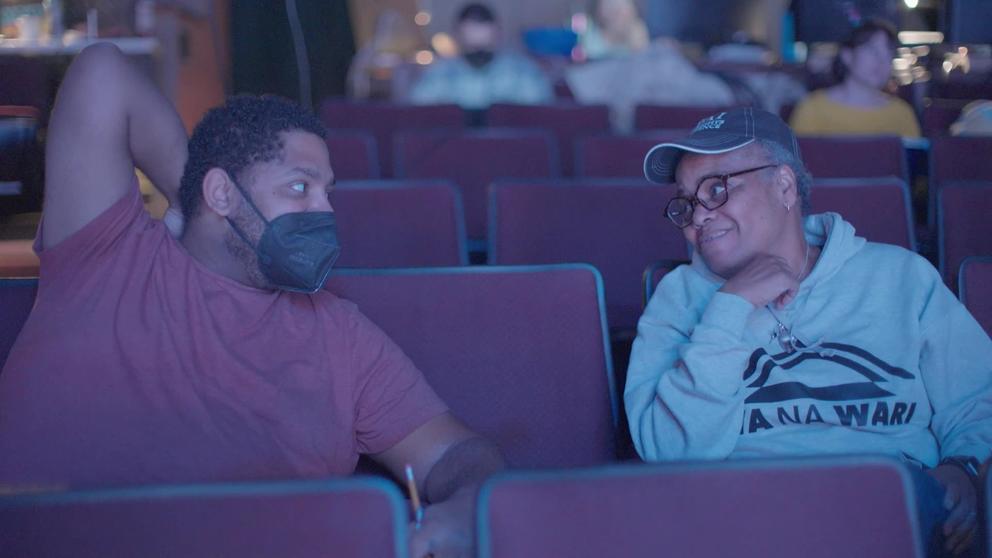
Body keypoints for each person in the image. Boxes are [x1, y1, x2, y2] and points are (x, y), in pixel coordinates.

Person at [0, 43, 504, 558]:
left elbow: (458, 452)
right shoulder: (107, 256)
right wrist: (193, 195)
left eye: (328, 192)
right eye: (300, 188)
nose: (324, 211)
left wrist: (467, 508)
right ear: (222, 194)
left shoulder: (341, 334)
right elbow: (101, 71)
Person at [628, 107, 991, 556]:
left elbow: (978, 400)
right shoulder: (678, 299)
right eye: (686, 203)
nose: (698, 216)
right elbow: (669, 455)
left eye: (717, 190)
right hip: (744, 516)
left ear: (783, 185)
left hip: (892, 505)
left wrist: (965, 466)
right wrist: (730, 308)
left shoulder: (899, 277)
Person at [789, 18, 921, 137]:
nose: (881, 61)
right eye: (872, 51)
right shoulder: (813, 109)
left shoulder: (902, 115)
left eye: (888, 54)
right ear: (847, 56)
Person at [408, 2, 553, 110]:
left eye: (482, 27)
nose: (477, 35)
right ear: (457, 34)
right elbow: (418, 112)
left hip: (509, 148)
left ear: (497, 33)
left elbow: (539, 114)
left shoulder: (522, 71)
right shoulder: (439, 73)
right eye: (471, 30)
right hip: (453, 147)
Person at [580, 0, 649, 61]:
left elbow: (644, 68)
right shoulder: (589, 38)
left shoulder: (638, 32)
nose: (616, 10)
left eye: (622, 5)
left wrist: (639, 48)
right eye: (609, 4)